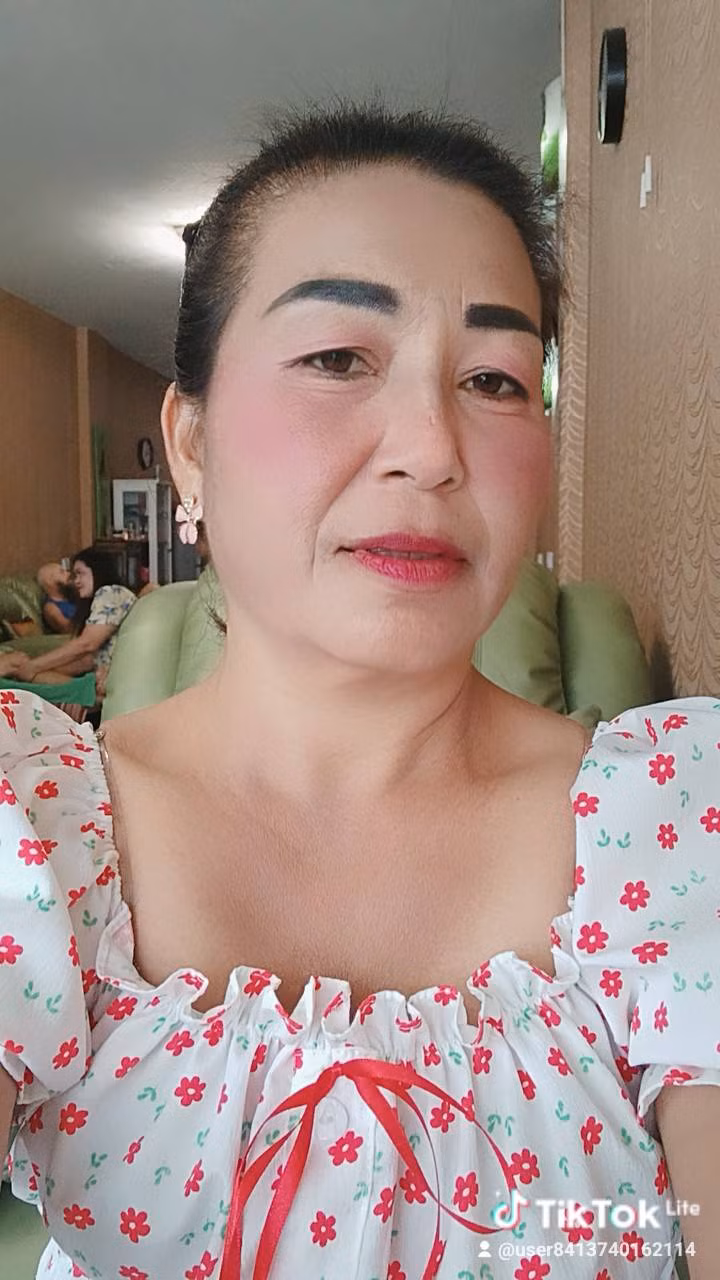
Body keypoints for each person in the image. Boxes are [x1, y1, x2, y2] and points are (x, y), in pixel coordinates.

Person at [0, 103, 717, 1280]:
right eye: (338, 358)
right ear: (191, 444)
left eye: (495, 377)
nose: (431, 446)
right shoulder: (37, 836)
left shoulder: (679, 830)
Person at [0, 549, 135, 696]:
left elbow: (86, 644)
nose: (76, 581)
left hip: (118, 674)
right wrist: (37, 669)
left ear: (98, 571)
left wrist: (34, 666)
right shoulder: (59, 606)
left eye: (80, 574)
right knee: (25, 674)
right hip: (102, 674)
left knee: (24, 674)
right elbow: (87, 658)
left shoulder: (110, 592)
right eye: (74, 575)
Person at [37, 561, 78, 634]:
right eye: (62, 572)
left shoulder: (72, 596)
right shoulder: (51, 608)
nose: (69, 573)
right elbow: (69, 630)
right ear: (49, 581)